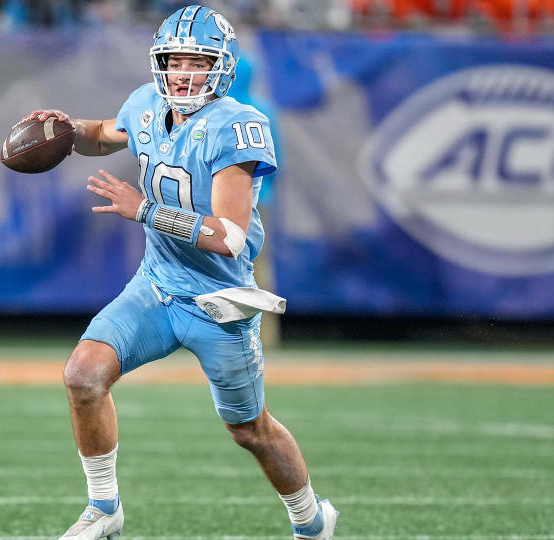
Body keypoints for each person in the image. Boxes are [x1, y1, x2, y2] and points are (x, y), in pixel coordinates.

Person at [23, 5, 338, 540]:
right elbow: (104, 133)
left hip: (220, 301)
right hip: (157, 285)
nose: (184, 73)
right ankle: (104, 507)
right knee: (83, 376)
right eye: (175, 61)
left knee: (249, 430)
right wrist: (67, 129)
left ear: (223, 67)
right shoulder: (146, 104)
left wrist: (144, 208)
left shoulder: (238, 126)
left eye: (198, 61)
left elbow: (228, 236)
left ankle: (311, 520)